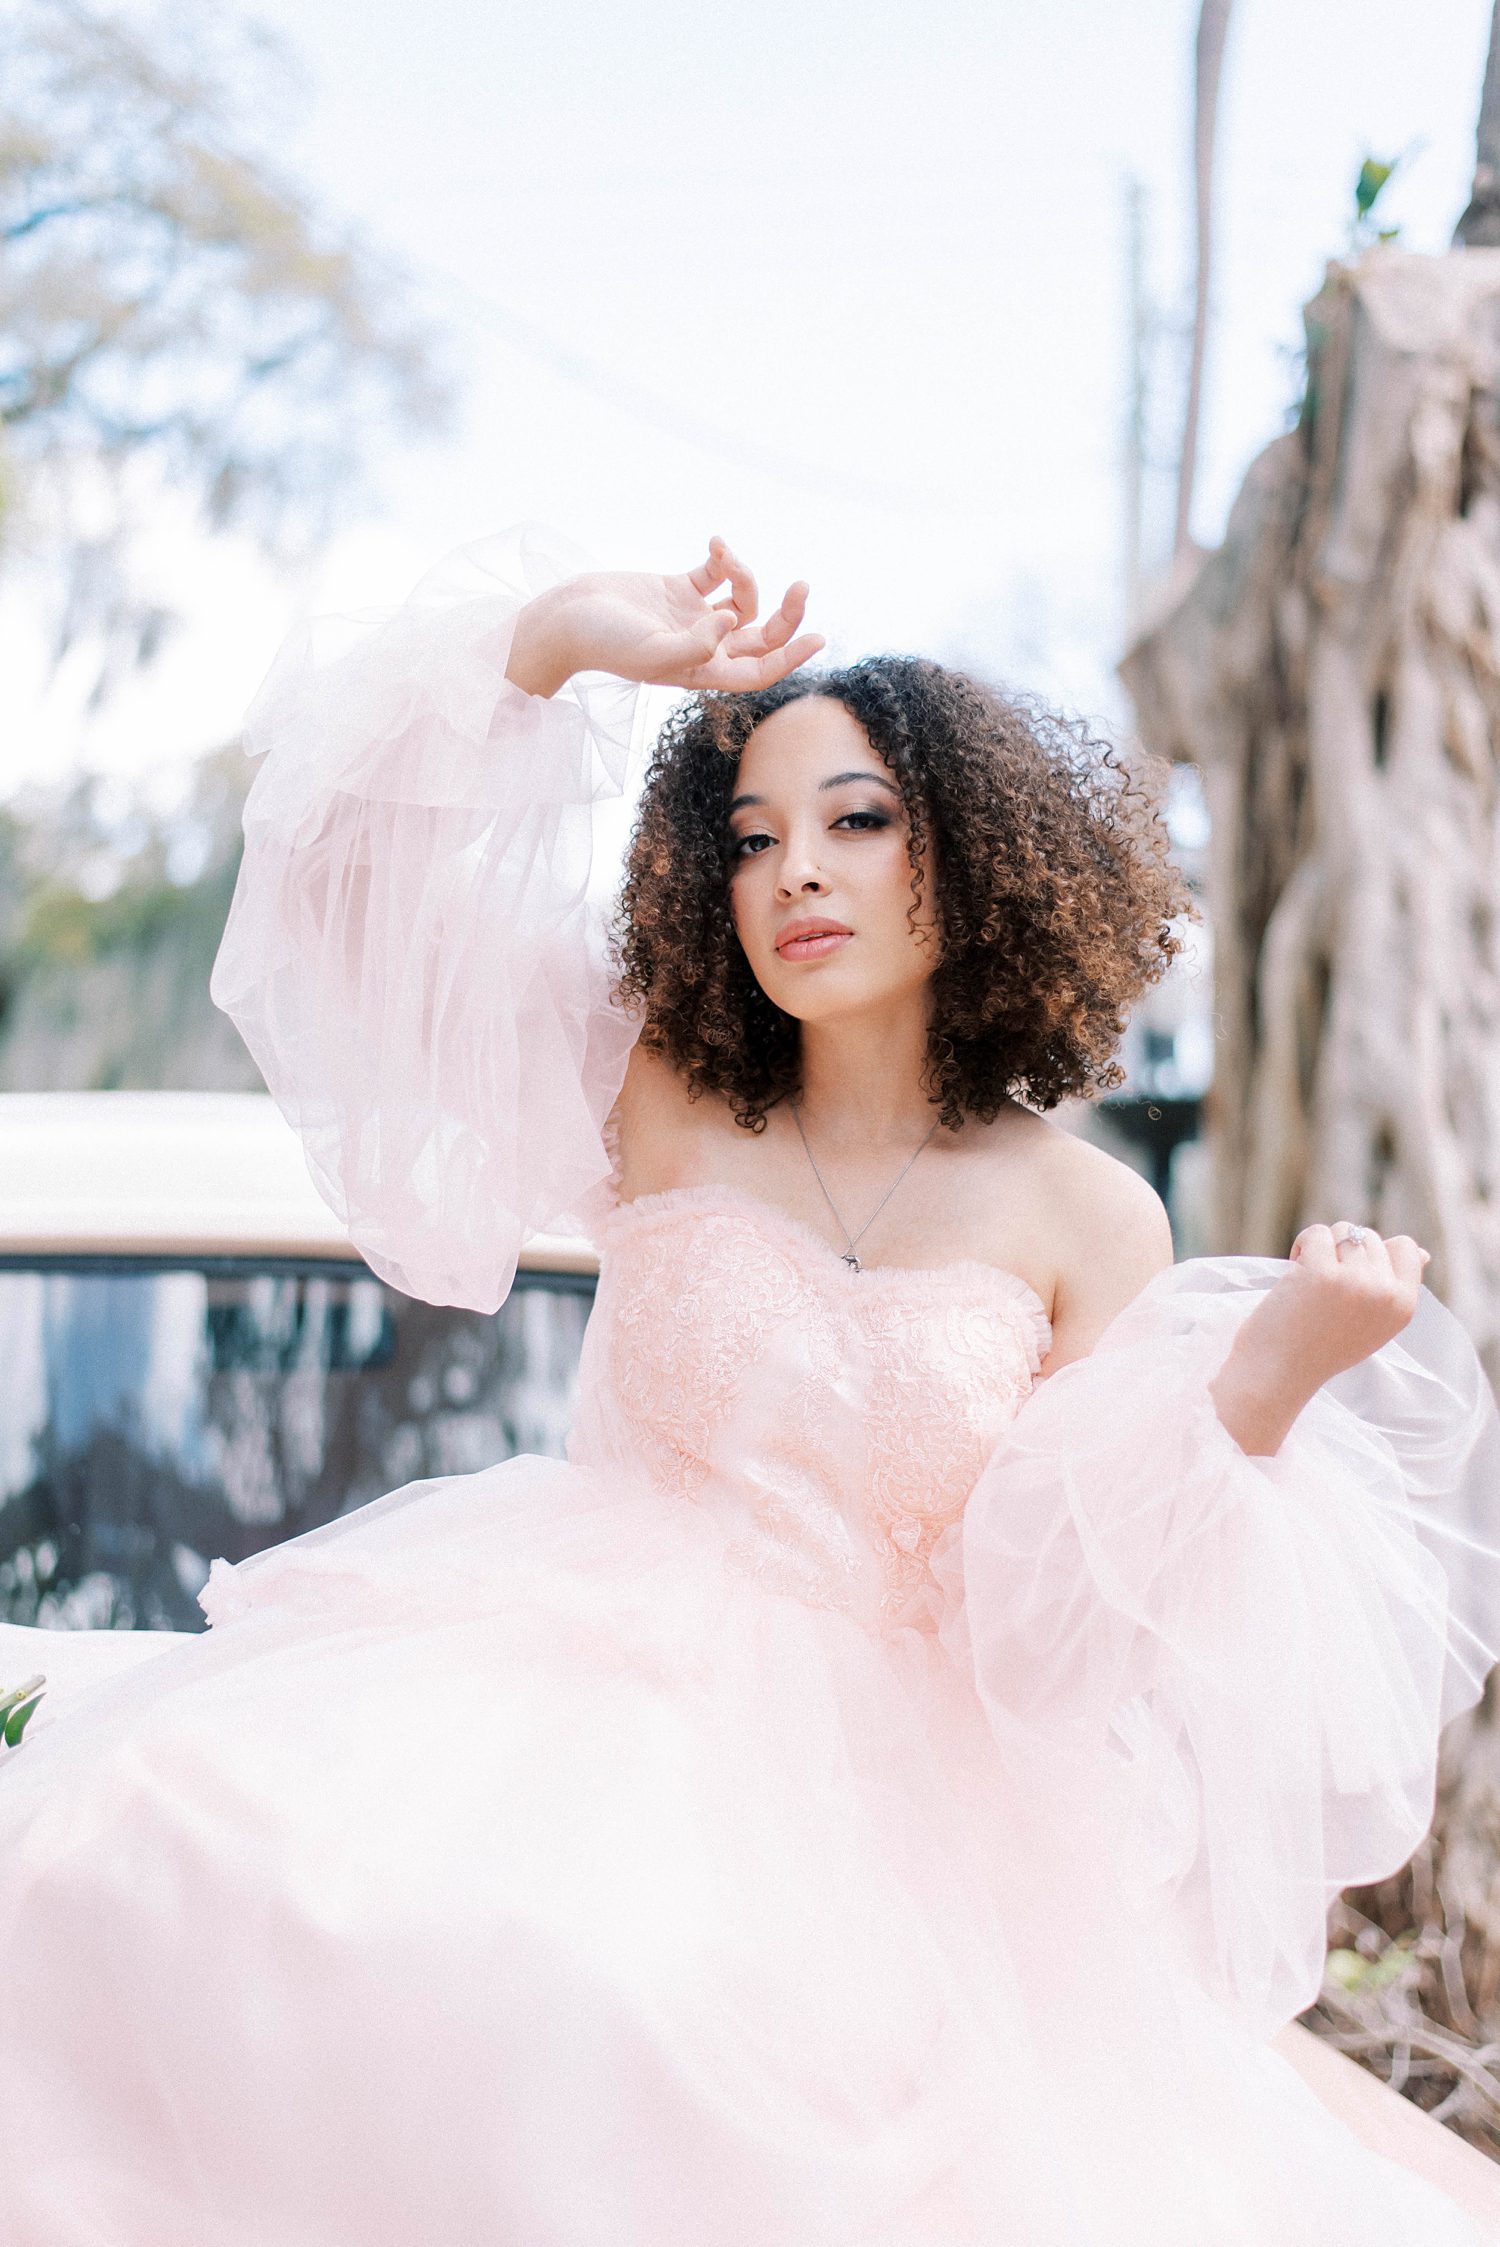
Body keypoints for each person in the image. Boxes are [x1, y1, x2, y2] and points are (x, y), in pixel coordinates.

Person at [3, 525, 1500, 2245]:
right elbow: (341, 912)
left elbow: (1067, 1628)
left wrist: (1261, 1384)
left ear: (976, 857)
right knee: (220, 1886)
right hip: (556, 1706)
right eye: (753, 836)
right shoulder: (655, 1082)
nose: (799, 871)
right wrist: (548, 646)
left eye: (859, 821)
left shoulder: (1089, 1212)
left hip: (914, 1851)